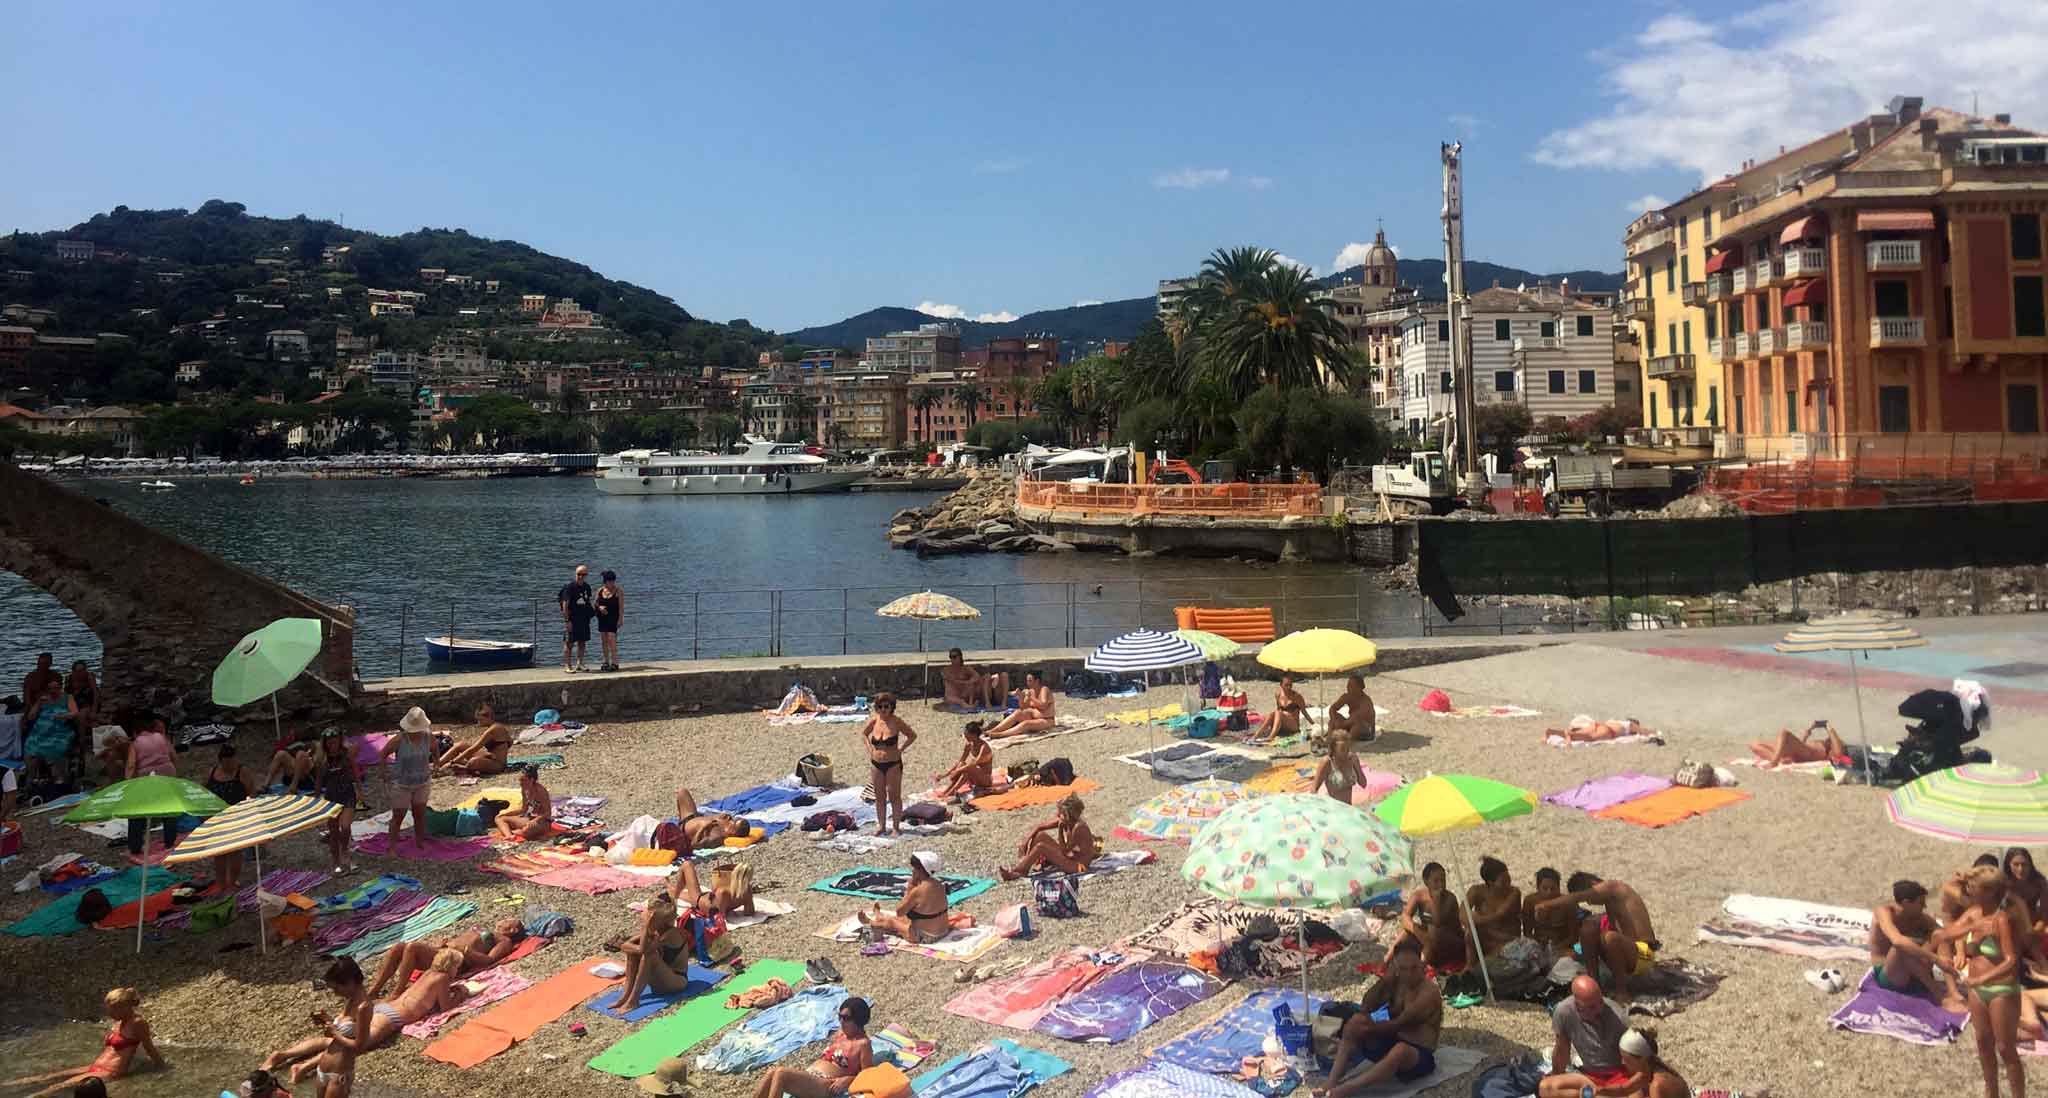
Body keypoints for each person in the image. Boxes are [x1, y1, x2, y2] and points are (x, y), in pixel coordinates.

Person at [1937, 864, 2027, 1098]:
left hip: (2001, 989)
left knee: (2006, 1049)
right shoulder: (1974, 912)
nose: (1968, 889)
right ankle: (1992, 1092)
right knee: (1983, 1043)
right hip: (1976, 988)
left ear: (1989, 892)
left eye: (1973, 886)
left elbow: (2010, 960)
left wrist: (1983, 977)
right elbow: (1948, 932)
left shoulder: (2002, 919)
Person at [1319, 939, 1442, 1098]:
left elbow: (1400, 1023)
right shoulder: (1397, 982)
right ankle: (1331, 1081)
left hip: (1418, 1055)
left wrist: (1370, 1028)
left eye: (1414, 968)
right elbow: (1366, 1006)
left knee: (1400, 1050)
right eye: (1404, 969)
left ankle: (1349, 1088)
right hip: (1394, 1039)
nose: (1409, 974)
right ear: (1397, 967)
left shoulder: (1428, 993)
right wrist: (1385, 980)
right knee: (1356, 1021)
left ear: (1422, 966)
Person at [3, 987, 165, 1097]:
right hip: (95, 1066)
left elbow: (149, 1047)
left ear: (125, 1008)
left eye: (111, 1010)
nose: (108, 1013)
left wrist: (162, 1069)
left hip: (110, 1072)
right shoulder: (119, 1021)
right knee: (47, 1077)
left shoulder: (138, 1023)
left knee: (56, 1087)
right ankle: (5, 1085)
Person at [1538, 873, 1661, 1003]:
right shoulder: (1610, 903)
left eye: (1589, 899)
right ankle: (1595, 987)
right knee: (1588, 928)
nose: (1590, 903)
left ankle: (1622, 992)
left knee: (1610, 938)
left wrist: (1546, 905)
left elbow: (1576, 897)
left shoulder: (1615, 888)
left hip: (1644, 955)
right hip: (1627, 955)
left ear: (1594, 885)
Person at [263, 958, 373, 1097]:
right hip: (323, 1068)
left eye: (337, 988)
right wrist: (326, 1020)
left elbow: (359, 1046)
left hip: (339, 1074)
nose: (336, 993)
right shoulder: (350, 1001)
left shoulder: (364, 1007)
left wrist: (335, 1033)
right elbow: (337, 1033)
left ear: (350, 982)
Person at [365, 918, 528, 997]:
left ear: (513, 931)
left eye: (508, 921)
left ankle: (397, 992)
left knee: (412, 947)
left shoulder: (504, 941)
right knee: (398, 947)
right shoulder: (488, 931)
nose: (503, 920)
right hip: (446, 951)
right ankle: (374, 990)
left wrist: (463, 949)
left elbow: (490, 961)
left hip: (456, 960)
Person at [748, 995, 873, 1098]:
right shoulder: (841, 1034)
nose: (841, 1021)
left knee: (781, 1073)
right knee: (772, 1072)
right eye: (839, 1016)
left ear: (858, 1020)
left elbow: (867, 1075)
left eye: (846, 1018)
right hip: (811, 1076)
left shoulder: (863, 1044)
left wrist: (848, 1080)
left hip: (825, 1085)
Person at [1536, 975, 1630, 1096]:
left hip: (1617, 1075)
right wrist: (1556, 1077)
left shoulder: (1618, 1017)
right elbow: (1561, 1050)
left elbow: (1633, 1062)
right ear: (1577, 1006)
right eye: (1592, 1007)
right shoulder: (1564, 1012)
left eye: (1600, 1002)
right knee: (1546, 1087)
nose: (1599, 1009)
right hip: (1589, 1076)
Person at [1541, 1023, 1686, 1098]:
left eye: (1626, 1059)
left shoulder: (1658, 1084)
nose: (1623, 1062)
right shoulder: (1646, 1070)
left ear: (1641, 1059)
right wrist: (1599, 1090)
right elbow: (1625, 1088)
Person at [1871, 879, 1951, 1002]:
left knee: (1939, 935)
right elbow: (1897, 941)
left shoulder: (1918, 917)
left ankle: (1954, 991)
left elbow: (1944, 934)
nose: (1924, 906)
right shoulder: (1885, 912)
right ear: (1906, 903)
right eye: (1921, 903)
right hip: (1891, 975)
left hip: (1915, 975)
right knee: (1902, 947)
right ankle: (1937, 991)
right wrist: (1936, 959)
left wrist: (1959, 951)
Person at [615, 894, 695, 1016]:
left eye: (647, 914)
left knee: (649, 955)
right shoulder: (656, 931)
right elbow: (627, 945)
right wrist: (631, 945)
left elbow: (642, 950)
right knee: (634, 953)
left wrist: (645, 926)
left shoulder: (671, 934)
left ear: (656, 920)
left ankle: (633, 1000)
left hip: (677, 981)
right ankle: (626, 995)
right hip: (662, 982)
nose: (643, 915)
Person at [857, 851, 951, 943]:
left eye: (914, 868)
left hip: (925, 937)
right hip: (943, 931)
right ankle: (880, 916)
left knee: (893, 922)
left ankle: (869, 923)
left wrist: (910, 887)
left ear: (919, 870)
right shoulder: (939, 884)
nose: (912, 870)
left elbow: (900, 911)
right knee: (904, 919)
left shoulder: (919, 890)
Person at [204, 745, 261, 893]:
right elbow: (202, 793)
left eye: (232, 761)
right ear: (220, 761)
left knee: (235, 850)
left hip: (237, 815)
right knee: (219, 852)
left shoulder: (242, 772)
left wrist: (250, 812)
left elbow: (252, 793)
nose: (230, 765)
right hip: (216, 817)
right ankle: (221, 883)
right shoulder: (211, 772)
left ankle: (232, 881)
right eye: (226, 762)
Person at [123, 710, 181, 856]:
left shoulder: (135, 743)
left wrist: (127, 784)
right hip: (168, 772)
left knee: (137, 811)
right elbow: (173, 756)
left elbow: (131, 765)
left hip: (147, 776)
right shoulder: (161, 737)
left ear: (135, 732)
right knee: (169, 808)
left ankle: (135, 846)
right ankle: (170, 841)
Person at [378, 707, 436, 854]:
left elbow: (435, 749)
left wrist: (437, 764)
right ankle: (392, 846)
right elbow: (383, 753)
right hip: (402, 783)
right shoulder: (400, 739)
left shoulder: (428, 736)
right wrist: (383, 771)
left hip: (422, 781)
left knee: (419, 814)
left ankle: (419, 842)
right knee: (398, 816)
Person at [1001, 793, 1095, 881]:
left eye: (1060, 813)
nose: (1057, 815)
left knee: (1041, 847)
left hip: (1079, 866)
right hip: (1071, 858)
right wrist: (1025, 842)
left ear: (1068, 815)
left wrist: (1060, 830)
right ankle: (1027, 864)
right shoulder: (1068, 821)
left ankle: (1019, 871)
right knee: (1040, 835)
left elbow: (1065, 852)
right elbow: (1039, 827)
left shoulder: (1078, 828)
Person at [858, 693, 915, 836]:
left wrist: (901, 749)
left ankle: (896, 827)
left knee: (894, 796)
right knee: (879, 796)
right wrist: (870, 749)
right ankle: (882, 826)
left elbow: (912, 735)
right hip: (876, 763)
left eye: (886, 706)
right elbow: (864, 734)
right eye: (880, 707)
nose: (883, 709)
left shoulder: (896, 721)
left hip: (893, 763)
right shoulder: (874, 721)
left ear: (891, 707)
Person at [1396, 862, 1468, 971]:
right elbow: (1404, 917)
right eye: (1436, 881)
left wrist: (1437, 900)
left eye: (1443, 880)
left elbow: (1437, 921)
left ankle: (1420, 971)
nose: (1441, 885)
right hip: (1431, 942)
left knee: (1434, 932)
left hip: (1451, 942)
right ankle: (1385, 962)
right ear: (1426, 881)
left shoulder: (1450, 898)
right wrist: (1418, 932)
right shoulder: (1419, 896)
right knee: (1405, 933)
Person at [314, 730, 358, 875]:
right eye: (330, 741)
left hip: (348, 794)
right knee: (333, 832)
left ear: (340, 740)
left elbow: (354, 771)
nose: (333, 744)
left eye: (335, 740)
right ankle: (336, 861)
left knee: (345, 826)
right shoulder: (322, 760)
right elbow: (319, 782)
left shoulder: (346, 754)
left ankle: (345, 851)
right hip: (331, 797)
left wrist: (361, 791)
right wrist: (316, 800)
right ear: (325, 743)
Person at [23, 677, 77, 784]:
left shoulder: (67, 697)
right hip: (40, 732)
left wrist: (63, 715)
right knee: (30, 747)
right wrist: (38, 703)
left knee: (57, 747)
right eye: (50, 688)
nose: (53, 691)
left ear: (60, 688)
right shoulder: (43, 700)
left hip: (59, 731)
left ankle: (58, 777)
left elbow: (74, 712)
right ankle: (32, 777)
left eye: (56, 688)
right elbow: (31, 717)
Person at [1466, 857, 1523, 958]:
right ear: (1490, 882)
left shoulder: (1514, 893)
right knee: (1470, 932)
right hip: (1486, 938)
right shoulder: (1476, 891)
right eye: (1503, 881)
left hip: (1507, 939)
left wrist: (1477, 919)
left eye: (1508, 878)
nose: (1508, 883)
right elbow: (1462, 916)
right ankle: (1470, 965)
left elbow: (1499, 915)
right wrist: (1473, 921)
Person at [438, 704, 513, 775]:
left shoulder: (494, 729)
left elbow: (473, 749)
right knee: (461, 745)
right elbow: (510, 741)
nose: (478, 722)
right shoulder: (498, 726)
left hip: (498, 764)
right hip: (491, 757)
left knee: (473, 762)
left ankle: (458, 767)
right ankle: (438, 763)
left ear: (488, 717)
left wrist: (453, 762)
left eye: (480, 720)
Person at [669, 858, 756, 919]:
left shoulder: (723, 892)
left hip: (700, 902)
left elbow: (719, 917)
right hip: (707, 900)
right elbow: (749, 912)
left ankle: (675, 894)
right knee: (688, 894)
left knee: (687, 864)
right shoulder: (747, 891)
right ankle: (674, 891)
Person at [671, 788, 753, 851]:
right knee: (682, 792)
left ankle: (679, 825)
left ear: (735, 833)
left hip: (684, 827)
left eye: (734, 822)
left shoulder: (718, 837)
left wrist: (704, 827)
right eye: (734, 819)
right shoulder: (726, 821)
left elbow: (694, 845)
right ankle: (682, 816)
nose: (731, 820)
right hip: (694, 816)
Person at [983, 671, 1055, 740]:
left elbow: (1043, 706)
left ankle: (1001, 734)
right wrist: (1020, 697)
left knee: (1026, 724)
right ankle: (994, 730)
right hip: (1033, 716)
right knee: (1018, 712)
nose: (1028, 683)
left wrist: (1031, 698)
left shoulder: (1044, 689)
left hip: (1047, 720)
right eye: (1027, 680)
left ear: (1037, 681)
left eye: (1030, 680)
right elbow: (1023, 707)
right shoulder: (1030, 691)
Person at [1305, 728, 1370, 805]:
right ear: (1333, 748)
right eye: (1342, 749)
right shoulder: (1327, 763)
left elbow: (1363, 784)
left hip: (1348, 808)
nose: (1346, 751)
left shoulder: (1352, 759)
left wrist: (1356, 766)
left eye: (1348, 748)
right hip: (1333, 809)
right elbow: (1314, 789)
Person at [1523, 867, 1578, 956]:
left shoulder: (1568, 904)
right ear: (1537, 887)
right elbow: (1527, 932)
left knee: (1573, 954)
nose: (1549, 892)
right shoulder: (1530, 901)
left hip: (1561, 946)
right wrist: (1536, 946)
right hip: (1537, 946)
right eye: (1545, 888)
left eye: (1553, 888)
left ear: (1559, 888)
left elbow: (1574, 936)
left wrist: (1556, 947)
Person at [933, 720, 994, 800]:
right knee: (962, 765)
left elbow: (974, 763)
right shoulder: (969, 745)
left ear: (974, 735)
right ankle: (948, 790)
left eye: (967, 736)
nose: (965, 737)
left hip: (985, 780)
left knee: (968, 768)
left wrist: (957, 771)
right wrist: (944, 775)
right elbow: (961, 761)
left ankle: (952, 791)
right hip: (974, 778)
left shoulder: (984, 747)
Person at [1747, 719, 1847, 767]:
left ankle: (1774, 762)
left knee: (1784, 733)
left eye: (1830, 739)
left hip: (1805, 753)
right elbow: (1800, 744)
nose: (1828, 739)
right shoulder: (1822, 743)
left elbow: (1838, 753)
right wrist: (1807, 733)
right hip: (1796, 750)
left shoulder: (1830, 750)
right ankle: (1780, 759)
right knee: (1753, 744)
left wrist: (1827, 725)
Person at [493, 764, 553, 841]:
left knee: (526, 831)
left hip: (542, 822)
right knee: (499, 818)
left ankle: (513, 831)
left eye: (523, 780)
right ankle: (509, 835)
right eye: (520, 780)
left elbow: (548, 812)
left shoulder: (541, 791)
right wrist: (506, 814)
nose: (520, 783)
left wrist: (535, 820)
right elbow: (524, 809)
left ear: (532, 780)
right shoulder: (525, 790)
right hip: (530, 819)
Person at [939, 648, 1005, 710]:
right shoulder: (946, 670)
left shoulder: (965, 668)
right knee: (949, 687)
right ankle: (966, 704)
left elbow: (977, 676)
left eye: (954, 657)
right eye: (951, 657)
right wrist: (963, 682)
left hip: (964, 692)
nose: (952, 659)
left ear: (960, 657)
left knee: (973, 683)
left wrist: (968, 682)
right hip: (953, 693)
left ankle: (971, 703)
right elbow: (948, 681)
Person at [1249, 673, 1305, 744]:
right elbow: (1278, 710)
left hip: (1293, 725)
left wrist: (1314, 724)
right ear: (1281, 685)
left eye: (1290, 685)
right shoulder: (1278, 695)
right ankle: (1256, 735)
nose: (1289, 687)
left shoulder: (1296, 696)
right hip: (1283, 725)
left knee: (1278, 712)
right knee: (1272, 714)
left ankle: (1271, 737)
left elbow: (1304, 712)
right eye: (1286, 685)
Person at [558, 564, 595, 673]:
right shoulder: (569, 587)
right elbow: (565, 604)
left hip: (584, 619)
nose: (581, 577)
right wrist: (567, 620)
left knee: (582, 642)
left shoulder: (587, 587)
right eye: (579, 574)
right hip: (572, 619)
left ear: (586, 575)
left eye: (583, 574)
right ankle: (568, 665)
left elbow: (588, 601)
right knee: (569, 643)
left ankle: (580, 663)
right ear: (576, 574)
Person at [265, 730, 319, 794]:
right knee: (281, 753)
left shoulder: (318, 746)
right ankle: (266, 785)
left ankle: (293, 788)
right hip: (291, 777)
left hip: (308, 780)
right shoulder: (298, 744)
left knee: (301, 754)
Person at [1325, 674, 1376, 743]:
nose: (1348, 687)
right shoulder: (1347, 696)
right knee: (1334, 719)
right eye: (1348, 685)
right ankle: (1329, 739)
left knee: (1357, 724)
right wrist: (1334, 719)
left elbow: (1355, 717)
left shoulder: (1366, 701)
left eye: (1351, 686)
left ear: (1360, 688)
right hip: (1350, 724)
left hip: (1365, 729)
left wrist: (1340, 725)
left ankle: (1345, 742)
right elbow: (1332, 709)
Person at [2006, 847, 2047, 928]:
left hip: (2033, 922)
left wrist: (2035, 930)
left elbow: (2045, 913)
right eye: (2015, 864)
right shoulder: (2003, 883)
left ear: (2030, 865)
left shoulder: (2039, 882)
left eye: (2024, 864)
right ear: (2008, 864)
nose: (2020, 869)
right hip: (2008, 924)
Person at [1546, 715, 1657, 744]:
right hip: (1607, 731)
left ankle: (1551, 732)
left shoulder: (1615, 722)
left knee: (1579, 735)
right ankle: (1569, 735)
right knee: (1590, 738)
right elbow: (1643, 731)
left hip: (1598, 725)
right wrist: (1653, 732)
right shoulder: (1629, 725)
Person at [594, 569, 625, 672]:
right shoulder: (600, 591)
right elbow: (595, 603)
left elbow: (621, 607)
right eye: (609, 581)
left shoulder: (618, 591)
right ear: (605, 581)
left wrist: (620, 619)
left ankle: (615, 662)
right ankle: (605, 661)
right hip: (602, 618)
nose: (611, 583)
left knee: (612, 640)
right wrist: (600, 608)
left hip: (613, 618)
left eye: (613, 581)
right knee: (604, 640)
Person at [65, 661, 98, 754]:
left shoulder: (89, 677)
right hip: (74, 704)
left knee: (81, 715)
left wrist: (94, 711)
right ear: (73, 671)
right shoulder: (69, 679)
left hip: (87, 703)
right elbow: (66, 695)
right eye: (78, 671)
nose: (81, 673)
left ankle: (81, 741)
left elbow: (96, 694)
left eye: (83, 670)